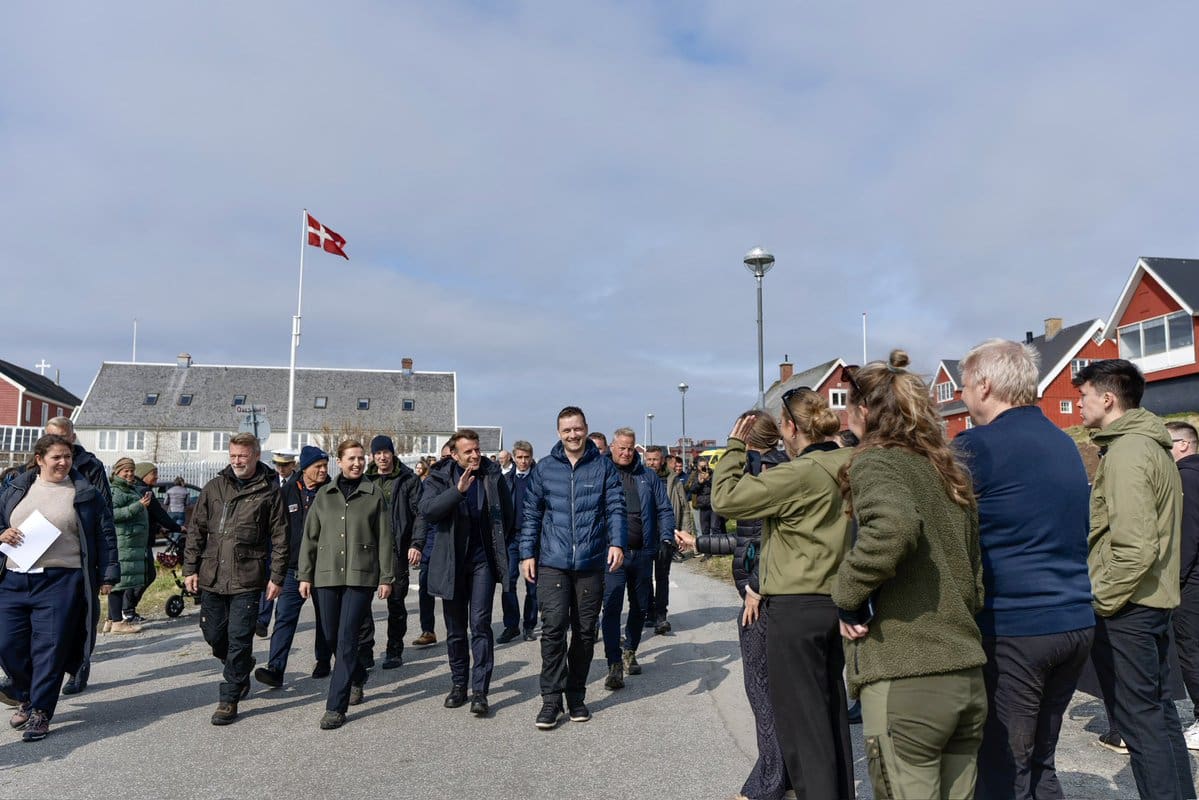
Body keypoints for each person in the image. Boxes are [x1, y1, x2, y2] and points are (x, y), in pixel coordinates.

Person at [833, 351, 986, 800]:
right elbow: (975, 578)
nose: (843, 412)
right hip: (965, 678)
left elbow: (894, 527)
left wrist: (848, 596)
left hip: (908, 680)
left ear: (866, 410)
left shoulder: (877, 461)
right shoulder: (947, 470)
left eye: (848, 403)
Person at [954, 340, 1095, 800]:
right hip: (1074, 619)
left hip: (1017, 625)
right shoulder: (1062, 441)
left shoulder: (975, 445)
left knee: (1001, 768)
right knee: (1039, 764)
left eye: (965, 384)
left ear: (986, 385)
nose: (960, 394)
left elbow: (941, 528)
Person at [705, 396, 854, 800]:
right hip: (838, 602)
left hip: (795, 607)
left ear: (790, 428)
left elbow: (726, 500)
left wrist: (735, 449)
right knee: (831, 713)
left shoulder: (800, 473)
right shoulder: (851, 463)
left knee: (802, 726)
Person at [1074, 359, 1193, 798]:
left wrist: (1099, 600)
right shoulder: (1151, 445)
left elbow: (1135, 547)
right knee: (1158, 718)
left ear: (1108, 398)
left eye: (1084, 397)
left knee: (1141, 724)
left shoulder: (1127, 453)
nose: (1079, 406)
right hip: (1151, 601)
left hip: (1129, 608)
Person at [0, 434, 118, 741]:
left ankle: (40, 711)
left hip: (62, 580)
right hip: (14, 577)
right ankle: (25, 693)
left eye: (67, 457)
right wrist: (2, 533)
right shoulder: (16, 488)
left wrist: (107, 575)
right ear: (39, 459)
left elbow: (105, 535)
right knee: (7, 643)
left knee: (49, 649)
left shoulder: (84, 493)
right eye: (56, 457)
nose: (64, 463)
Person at [520, 407, 626, 730]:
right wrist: (527, 553)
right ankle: (551, 700)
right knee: (553, 630)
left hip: (590, 563)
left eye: (577, 429)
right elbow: (531, 514)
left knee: (583, 632)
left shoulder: (603, 467)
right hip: (553, 562)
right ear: (558, 433)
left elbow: (615, 507)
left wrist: (617, 543)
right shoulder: (545, 469)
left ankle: (576, 696)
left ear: (586, 428)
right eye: (566, 430)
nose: (573, 435)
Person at [183, 432, 288, 726]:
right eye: (232, 456)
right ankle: (239, 668)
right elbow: (196, 531)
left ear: (255, 455)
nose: (237, 461)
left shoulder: (269, 492)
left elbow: (281, 538)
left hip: (247, 576)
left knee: (239, 638)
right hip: (212, 575)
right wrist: (189, 568)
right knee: (214, 635)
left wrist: (277, 576)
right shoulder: (214, 487)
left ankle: (228, 699)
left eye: (242, 455)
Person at [413, 430, 514, 715]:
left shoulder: (492, 475)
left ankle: (480, 692)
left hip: (482, 562)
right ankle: (459, 685)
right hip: (451, 563)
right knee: (456, 630)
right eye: (468, 451)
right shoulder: (438, 477)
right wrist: (457, 492)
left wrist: (501, 545)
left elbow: (507, 515)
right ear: (454, 455)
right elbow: (429, 511)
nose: (475, 455)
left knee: (480, 624)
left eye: (477, 450)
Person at [299, 440, 394, 730]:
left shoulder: (374, 494)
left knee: (346, 638)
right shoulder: (323, 496)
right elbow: (310, 537)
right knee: (330, 637)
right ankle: (357, 676)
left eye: (361, 459)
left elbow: (386, 539)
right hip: (326, 576)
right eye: (351, 458)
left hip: (360, 576)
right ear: (338, 462)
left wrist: (386, 577)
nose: (357, 463)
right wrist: (304, 575)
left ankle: (335, 707)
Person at [601, 428, 675, 690]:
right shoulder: (602, 472)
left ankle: (630, 650)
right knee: (611, 606)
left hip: (642, 552)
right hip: (612, 554)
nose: (626, 452)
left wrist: (666, 538)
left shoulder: (648, 476)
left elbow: (664, 509)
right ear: (612, 447)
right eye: (621, 447)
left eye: (631, 448)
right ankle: (613, 664)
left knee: (640, 606)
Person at [42, 416, 111, 696]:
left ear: (73, 436)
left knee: (82, 614)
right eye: (51, 437)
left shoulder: (90, 467)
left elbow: (104, 513)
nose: (58, 443)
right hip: (43, 553)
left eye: (63, 437)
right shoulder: (36, 464)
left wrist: (106, 567)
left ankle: (80, 667)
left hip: (81, 553)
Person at [255, 446, 333, 687]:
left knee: (326, 619)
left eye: (324, 466)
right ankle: (275, 670)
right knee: (284, 618)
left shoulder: (333, 493)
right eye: (317, 467)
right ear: (305, 468)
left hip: (323, 568)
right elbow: (273, 530)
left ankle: (323, 660)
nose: (322, 470)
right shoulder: (286, 492)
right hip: (292, 569)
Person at [365, 435, 422, 671]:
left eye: (385, 452)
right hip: (367, 550)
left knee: (396, 603)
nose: (382, 457)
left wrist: (416, 543)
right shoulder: (365, 479)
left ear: (392, 453)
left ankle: (394, 650)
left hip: (397, 549)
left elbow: (421, 514)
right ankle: (364, 650)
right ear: (373, 455)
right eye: (377, 453)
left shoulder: (408, 479)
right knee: (361, 603)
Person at [1167, 420, 1199, 750]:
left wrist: (1172, 583)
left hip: (1191, 583)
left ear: (1184, 445)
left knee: (1190, 650)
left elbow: (1187, 538)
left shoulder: (1184, 479)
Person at [412, 443, 452, 648]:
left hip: (450, 544)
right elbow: (422, 515)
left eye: (449, 456)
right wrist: (418, 545)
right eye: (443, 457)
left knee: (450, 592)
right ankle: (428, 630)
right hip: (430, 543)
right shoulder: (430, 482)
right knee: (425, 589)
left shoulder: (461, 481)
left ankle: (454, 630)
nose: (446, 461)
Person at [106, 458, 152, 635]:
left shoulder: (129, 488)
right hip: (123, 541)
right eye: (125, 471)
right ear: (117, 472)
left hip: (131, 542)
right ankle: (118, 622)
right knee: (119, 582)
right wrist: (138, 506)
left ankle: (111, 620)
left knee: (122, 581)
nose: (129, 474)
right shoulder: (115, 490)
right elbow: (112, 514)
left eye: (132, 470)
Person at [499, 440, 538, 643]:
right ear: (514, 457)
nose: (523, 461)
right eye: (519, 457)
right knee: (509, 581)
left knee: (532, 583)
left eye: (526, 457)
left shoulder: (539, 480)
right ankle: (511, 625)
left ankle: (529, 625)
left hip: (533, 538)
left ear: (531, 458)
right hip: (512, 537)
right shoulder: (505, 480)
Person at [654, 450, 691, 633]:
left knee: (662, 577)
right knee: (643, 579)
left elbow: (684, 507)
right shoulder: (639, 477)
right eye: (649, 459)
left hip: (668, 535)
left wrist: (686, 533)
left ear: (663, 460)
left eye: (655, 459)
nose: (652, 462)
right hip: (645, 537)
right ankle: (648, 613)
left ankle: (661, 616)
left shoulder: (674, 480)